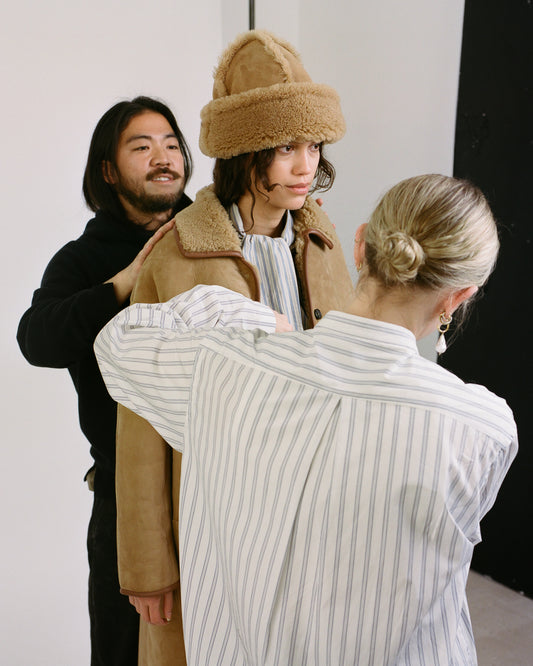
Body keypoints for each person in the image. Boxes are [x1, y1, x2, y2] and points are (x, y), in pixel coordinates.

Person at [95, 173, 517, 665]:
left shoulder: (223, 367)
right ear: (457, 297)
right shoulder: (482, 425)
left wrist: (253, 318)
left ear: (359, 246)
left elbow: (120, 338)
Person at [114, 30, 354, 664]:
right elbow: (140, 417)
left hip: (306, 510)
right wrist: (146, 561)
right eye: (285, 148)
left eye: (313, 146)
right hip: (212, 518)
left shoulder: (321, 245)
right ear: (246, 151)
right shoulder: (176, 253)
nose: (306, 165)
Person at [16, 96, 193, 666]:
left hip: (220, 480)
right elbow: (36, 339)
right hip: (127, 494)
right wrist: (124, 283)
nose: (162, 157)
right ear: (109, 171)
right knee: (124, 648)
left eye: (171, 144)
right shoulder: (82, 259)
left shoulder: (215, 235)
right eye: (141, 147)